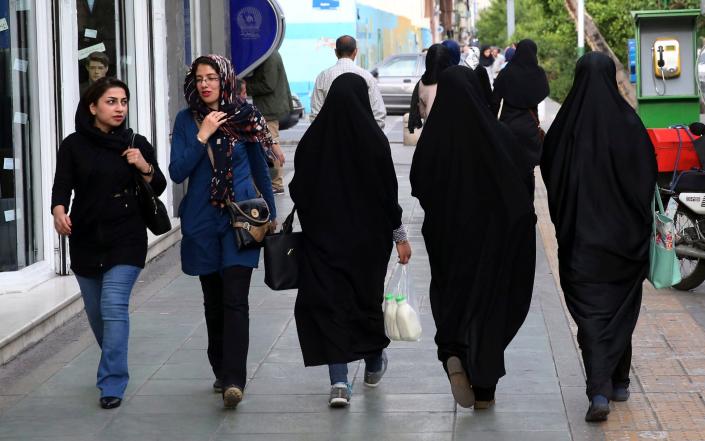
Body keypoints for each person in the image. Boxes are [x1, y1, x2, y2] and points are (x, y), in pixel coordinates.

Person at [410, 65, 536, 410]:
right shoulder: (498, 135)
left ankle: (452, 351)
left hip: (446, 240)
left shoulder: (434, 138)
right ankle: (485, 391)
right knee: (489, 308)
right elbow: (522, 187)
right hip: (492, 242)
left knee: (453, 299)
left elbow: (417, 183)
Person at [540, 52, 657, 422]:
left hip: (581, 245)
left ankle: (600, 389)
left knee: (591, 316)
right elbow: (648, 179)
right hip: (625, 245)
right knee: (621, 308)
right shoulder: (630, 126)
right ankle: (618, 382)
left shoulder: (564, 129)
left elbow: (550, 177)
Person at [290, 73, 412, 408]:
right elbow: (389, 193)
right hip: (368, 245)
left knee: (331, 306)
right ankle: (373, 364)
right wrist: (399, 236)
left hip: (323, 242)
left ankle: (339, 382)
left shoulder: (313, 141)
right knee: (365, 301)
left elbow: (297, 189)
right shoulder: (373, 140)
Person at [51, 77, 166, 409]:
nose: (119, 108)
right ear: (93, 107)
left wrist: (143, 166)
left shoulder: (135, 142)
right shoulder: (73, 144)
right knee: (96, 313)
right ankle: (113, 362)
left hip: (126, 237)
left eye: (124, 102)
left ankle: (112, 382)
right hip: (85, 237)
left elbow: (157, 184)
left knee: (114, 306)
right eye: (111, 102)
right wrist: (59, 210)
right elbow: (62, 184)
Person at [169, 54, 277, 409]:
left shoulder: (245, 118)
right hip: (202, 222)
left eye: (212, 77)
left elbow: (262, 172)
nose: (205, 84)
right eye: (199, 78)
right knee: (213, 303)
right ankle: (220, 365)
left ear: (225, 80)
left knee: (235, 300)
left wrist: (271, 219)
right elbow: (177, 171)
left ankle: (235, 379)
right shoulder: (187, 121)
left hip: (241, 222)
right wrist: (202, 136)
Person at [491, 39, 549, 200]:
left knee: (509, 168)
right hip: (530, 128)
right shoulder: (538, 73)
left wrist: (492, 123)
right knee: (528, 170)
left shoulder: (507, 73)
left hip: (508, 127)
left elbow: (495, 101)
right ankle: (528, 205)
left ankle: (511, 205)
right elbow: (543, 92)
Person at [310, 35, 386, 128]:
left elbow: (316, 114)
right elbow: (378, 113)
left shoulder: (323, 76)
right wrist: (368, 135)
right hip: (361, 138)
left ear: (336, 52)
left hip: (331, 138)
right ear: (355, 51)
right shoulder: (367, 77)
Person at [246, 50, 291, 195]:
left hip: (269, 107)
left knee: (271, 143)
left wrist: (244, 86)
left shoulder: (269, 56)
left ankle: (276, 183)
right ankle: (274, 182)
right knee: (270, 143)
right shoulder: (269, 53)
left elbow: (268, 84)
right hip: (268, 105)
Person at [408, 44, 454, 133]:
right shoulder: (451, 82)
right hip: (446, 134)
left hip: (428, 134)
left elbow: (421, 111)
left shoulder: (422, 83)